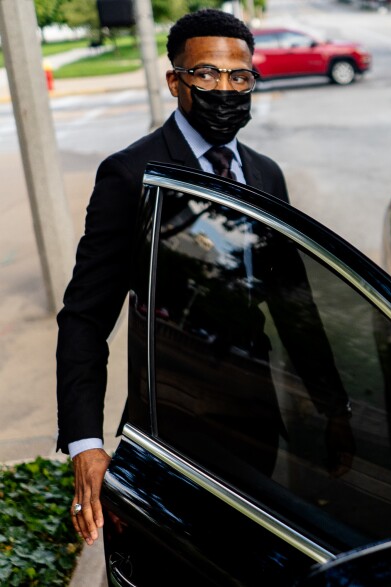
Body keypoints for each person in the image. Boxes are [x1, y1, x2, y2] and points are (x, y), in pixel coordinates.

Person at [55, 9, 335, 548]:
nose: (225, 88)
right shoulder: (131, 175)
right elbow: (85, 318)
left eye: (239, 76)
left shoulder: (264, 172)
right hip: (172, 427)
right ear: (175, 80)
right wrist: (85, 443)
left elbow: (292, 300)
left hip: (256, 420)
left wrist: (332, 404)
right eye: (206, 74)